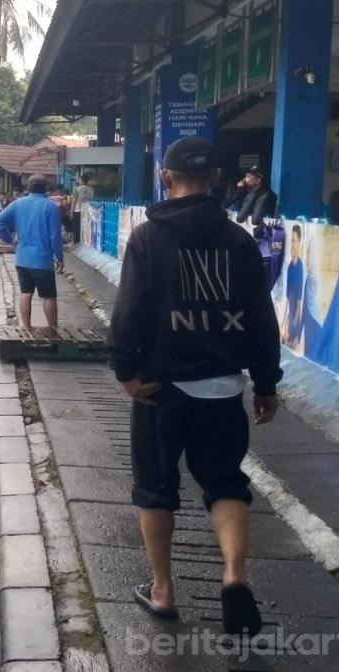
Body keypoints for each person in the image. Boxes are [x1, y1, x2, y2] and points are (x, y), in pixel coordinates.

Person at [107, 136, 281, 638]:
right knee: (226, 483)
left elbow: (129, 314)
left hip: (160, 388)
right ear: (216, 181)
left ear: (166, 178)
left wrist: (123, 372)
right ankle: (233, 576)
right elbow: (261, 321)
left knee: (156, 489)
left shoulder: (147, 239)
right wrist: (266, 383)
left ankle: (163, 590)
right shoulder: (240, 241)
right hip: (224, 389)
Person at [0, 174, 64, 329]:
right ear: (45, 188)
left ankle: (26, 327)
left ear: (28, 187)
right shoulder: (50, 206)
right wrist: (59, 257)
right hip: (42, 260)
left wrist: (9, 240)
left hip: (22, 258)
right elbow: (55, 236)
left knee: (26, 293)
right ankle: (53, 330)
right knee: (48, 296)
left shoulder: (18, 204)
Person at [284, 224, 304, 350]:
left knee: (292, 347)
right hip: (289, 316)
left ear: (299, 242)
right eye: (291, 241)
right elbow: (287, 298)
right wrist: (284, 323)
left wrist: (294, 324)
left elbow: (299, 301)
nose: (292, 245)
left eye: (294, 241)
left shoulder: (300, 267)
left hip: (295, 319)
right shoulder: (290, 267)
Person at [71, 173, 94, 244]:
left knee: (76, 228)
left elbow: (74, 201)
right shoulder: (91, 189)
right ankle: (85, 241)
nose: (78, 181)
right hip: (88, 211)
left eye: (79, 180)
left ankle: (76, 242)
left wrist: (71, 211)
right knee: (86, 227)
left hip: (78, 210)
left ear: (81, 180)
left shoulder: (77, 189)